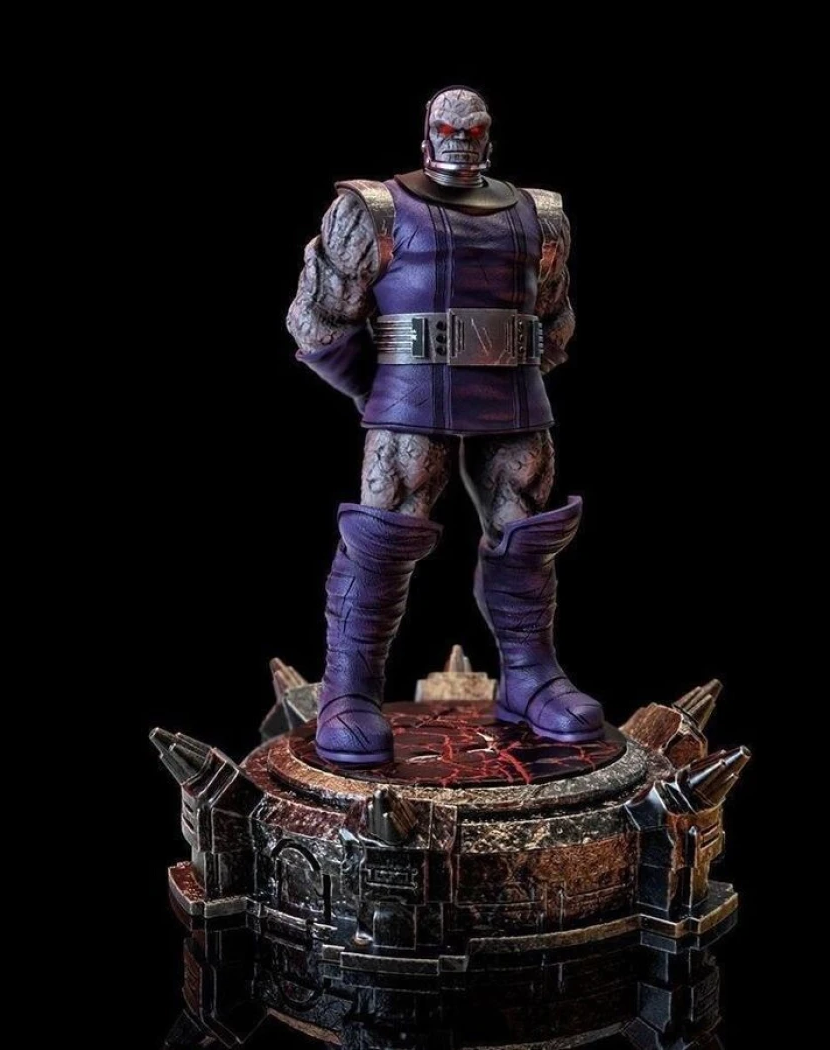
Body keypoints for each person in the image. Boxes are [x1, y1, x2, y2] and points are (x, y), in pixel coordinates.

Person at [286, 86, 604, 765]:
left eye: (473, 129)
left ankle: (531, 678)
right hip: (412, 397)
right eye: (449, 129)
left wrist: (514, 369)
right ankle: (349, 691)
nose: (460, 140)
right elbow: (317, 321)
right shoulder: (373, 209)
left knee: (525, 527)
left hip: (513, 397)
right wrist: (382, 390)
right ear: (427, 134)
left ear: (489, 135)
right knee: (386, 527)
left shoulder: (540, 216)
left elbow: (553, 320)